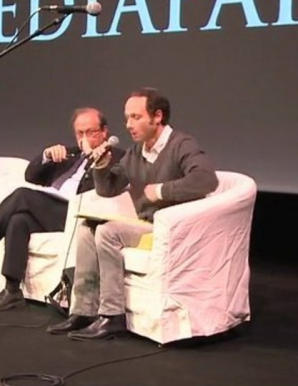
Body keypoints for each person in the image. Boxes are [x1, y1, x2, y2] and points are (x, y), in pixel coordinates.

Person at [57, 88, 218, 340]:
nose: (129, 125)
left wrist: (162, 190)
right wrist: (101, 166)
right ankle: (84, 311)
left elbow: (206, 180)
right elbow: (109, 189)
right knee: (88, 227)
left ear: (157, 116)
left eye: (136, 117)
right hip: (147, 224)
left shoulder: (181, 145)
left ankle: (112, 316)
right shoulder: (136, 152)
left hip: (173, 228)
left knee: (109, 232)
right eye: (127, 118)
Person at [0, 107, 124, 311]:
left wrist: (100, 162)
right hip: (53, 210)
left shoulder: (117, 156)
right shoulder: (70, 154)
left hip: (79, 213)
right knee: (19, 219)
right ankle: (12, 290)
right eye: (79, 133)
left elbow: (111, 187)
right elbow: (31, 176)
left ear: (104, 131)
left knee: (22, 195)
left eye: (91, 132)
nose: (85, 138)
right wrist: (46, 156)